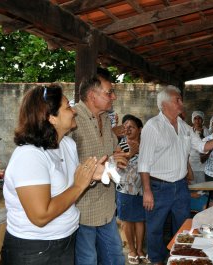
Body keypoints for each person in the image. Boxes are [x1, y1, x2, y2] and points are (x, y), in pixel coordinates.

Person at [1, 84, 105, 264]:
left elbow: (67, 189)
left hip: (65, 239)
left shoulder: (67, 145)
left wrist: (89, 177)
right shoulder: (30, 156)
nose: (74, 111)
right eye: (68, 107)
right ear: (52, 118)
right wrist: (79, 185)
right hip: (34, 250)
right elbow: (40, 216)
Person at [138, 85, 213, 265]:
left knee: (183, 226)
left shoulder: (184, 126)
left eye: (181, 99)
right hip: (158, 187)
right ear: (164, 104)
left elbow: (202, 146)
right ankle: (157, 261)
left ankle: (180, 258)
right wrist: (147, 190)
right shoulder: (153, 126)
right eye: (177, 100)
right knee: (155, 228)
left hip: (181, 186)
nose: (181, 103)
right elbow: (143, 162)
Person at [72, 69, 126, 265]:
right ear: (92, 96)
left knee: (115, 259)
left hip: (107, 208)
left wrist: (119, 158)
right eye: (109, 93)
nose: (114, 96)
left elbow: (112, 154)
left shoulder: (105, 118)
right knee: (88, 261)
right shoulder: (72, 120)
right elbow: (64, 166)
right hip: (82, 211)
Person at [116, 114, 150, 265]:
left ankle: (140, 249)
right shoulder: (121, 145)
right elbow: (118, 165)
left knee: (140, 220)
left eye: (131, 127)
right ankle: (131, 250)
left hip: (143, 189)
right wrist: (131, 154)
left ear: (140, 129)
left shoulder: (146, 145)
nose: (128, 130)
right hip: (125, 189)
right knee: (127, 221)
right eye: (125, 127)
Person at [189, 111, 210, 183]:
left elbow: (208, 147)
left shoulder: (207, 132)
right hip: (191, 165)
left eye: (199, 118)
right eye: (195, 118)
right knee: (192, 189)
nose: (197, 121)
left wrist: (201, 136)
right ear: (192, 120)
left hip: (203, 166)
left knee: (202, 188)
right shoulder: (189, 131)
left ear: (202, 120)